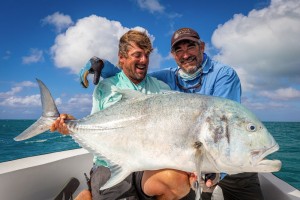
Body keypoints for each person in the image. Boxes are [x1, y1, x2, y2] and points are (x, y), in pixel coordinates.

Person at [82, 27, 264, 200]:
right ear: (173, 55)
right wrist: (103, 66)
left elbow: (225, 130)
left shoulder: (223, 75)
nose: (185, 55)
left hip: (227, 162)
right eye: (179, 50)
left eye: (191, 46)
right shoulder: (167, 77)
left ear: (202, 47)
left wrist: (216, 171)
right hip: (199, 162)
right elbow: (133, 73)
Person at [51, 29, 199, 200]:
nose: (144, 60)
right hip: (109, 164)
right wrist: (71, 125)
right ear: (122, 57)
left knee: (178, 183)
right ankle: (88, 194)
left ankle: (89, 195)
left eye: (146, 55)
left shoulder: (162, 89)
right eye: (137, 55)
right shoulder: (106, 87)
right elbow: (95, 125)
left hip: (146, 166)